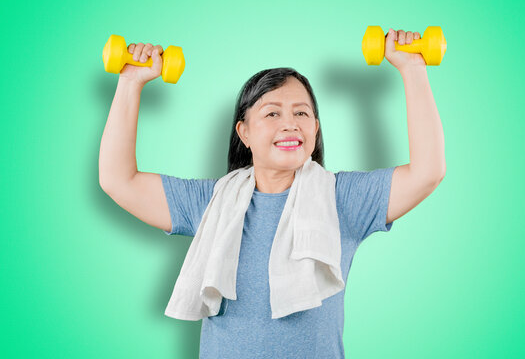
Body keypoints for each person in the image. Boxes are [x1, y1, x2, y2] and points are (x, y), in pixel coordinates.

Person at [99, 28, 446, 358]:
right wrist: (130, 81)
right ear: (244, 132)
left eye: (301, 113)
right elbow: (119, 180)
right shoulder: (212, 202)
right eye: (272, 113)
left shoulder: (343, 199)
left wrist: (413, 68)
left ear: (315, 129)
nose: (290, 123)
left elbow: (427, 172)